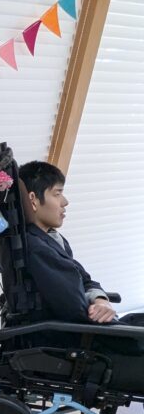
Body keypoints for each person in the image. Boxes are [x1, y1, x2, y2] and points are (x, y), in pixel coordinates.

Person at [20, 159, 144, 390]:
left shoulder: (52, 239)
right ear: (33, 199)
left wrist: (100, 300)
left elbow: (84, 279)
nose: (65, 202)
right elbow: (73, 308)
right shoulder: (37, 249)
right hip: (74, 340)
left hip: (79, 328)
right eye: (57, 193)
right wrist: (102, 314)